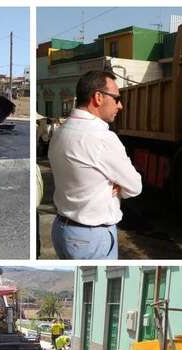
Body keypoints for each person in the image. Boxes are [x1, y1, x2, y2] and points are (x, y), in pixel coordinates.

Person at [49, 70, 142, 259]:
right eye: (116, 98)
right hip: (91, 237)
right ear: (98, 97)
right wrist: (116, 185)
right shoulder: (101, 138)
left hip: (62, 230)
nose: (120, 105)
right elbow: (135, 186)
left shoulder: (61, 131)